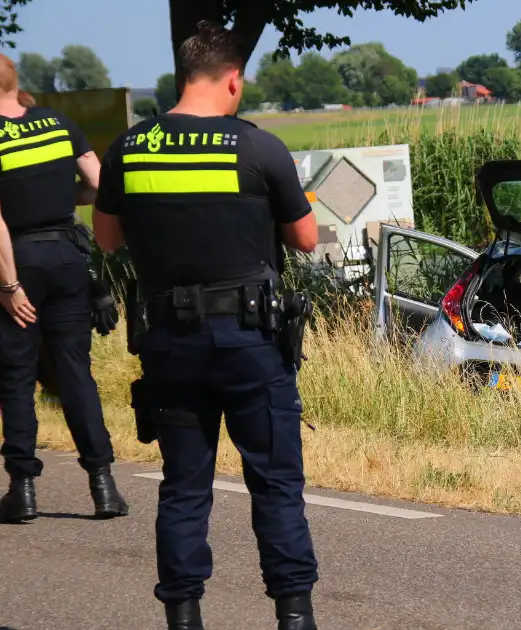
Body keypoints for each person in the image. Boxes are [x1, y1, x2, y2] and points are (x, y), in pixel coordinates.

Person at [92, 21, 320, 630]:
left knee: (185, 485)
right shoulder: (258, 148)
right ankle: (295, 616)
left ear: (182, 76)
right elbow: (305, 239)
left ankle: (184, 616)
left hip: (171, 344)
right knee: (274, 484)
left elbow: (107, 239)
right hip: (251, 343)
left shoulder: (129, 149)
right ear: (232, 81)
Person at [0, 53, 128, 523]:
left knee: (15, 376)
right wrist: (59, 194)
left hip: (19, 259)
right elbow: (101, 185)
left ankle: (23, 490)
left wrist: (10, 285)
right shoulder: (57, 124)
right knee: (76, 374)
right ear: (17, 84)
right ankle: (104, 486)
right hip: (68, 259)